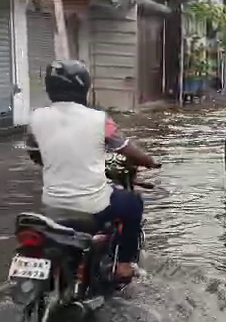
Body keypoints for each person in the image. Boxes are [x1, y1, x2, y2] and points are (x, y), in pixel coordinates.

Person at [25, 60, 161, 281]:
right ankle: (124, 265)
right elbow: (127, 149)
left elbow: (35, 153)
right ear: (83, 87)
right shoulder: (99, 119)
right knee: (133, 203)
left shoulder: (35, 118)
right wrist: (150, 162)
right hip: (92, 205)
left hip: (52, 205)